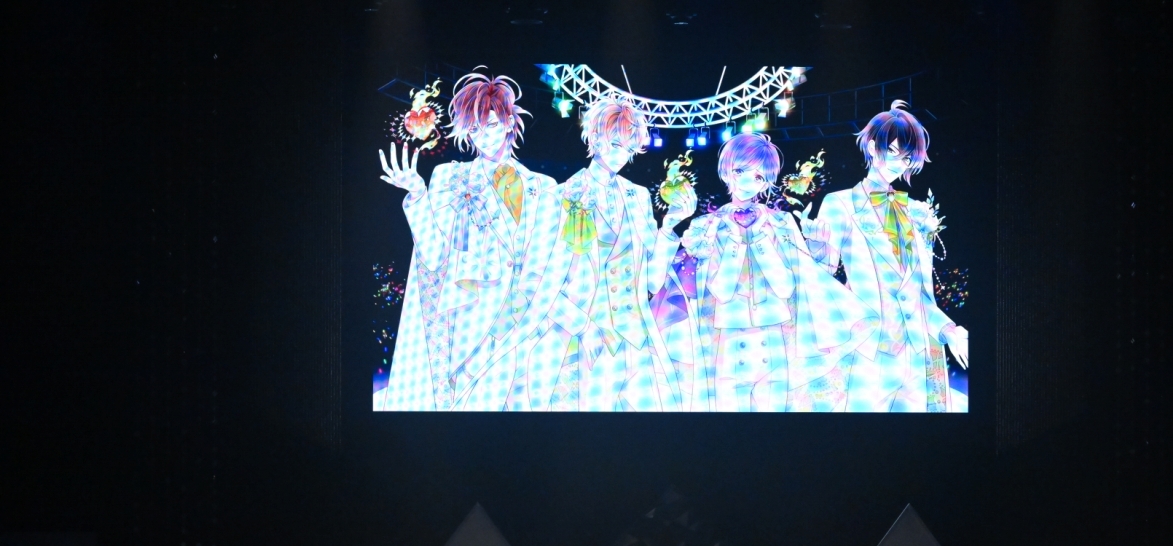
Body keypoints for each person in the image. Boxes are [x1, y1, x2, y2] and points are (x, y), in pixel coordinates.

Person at [461, 97, 696, 411]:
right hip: (580, 342)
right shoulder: (560, 196)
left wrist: (669, 228)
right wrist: (583, 327)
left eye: (629, 148)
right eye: (615, 143)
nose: (621, 155)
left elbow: (653, 282)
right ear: (595, 137)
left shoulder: (638, 197)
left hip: (636, 339)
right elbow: (532, 280)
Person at [374, 70, 561, 411]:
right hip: (471, 323)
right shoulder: (450, 176)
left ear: (509, 122)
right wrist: (417, 196)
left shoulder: (544, 188)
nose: (483, 138)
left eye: (490, 126)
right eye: (474, 130)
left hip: (527, 324)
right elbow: (434, 255)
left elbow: (548, 262)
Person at [674, 133, 877, 411]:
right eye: (740, 171)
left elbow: (787, 287)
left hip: (774, 343)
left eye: (758, 176)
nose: (747, 182)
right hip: (730, 344)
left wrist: (762, 237)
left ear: (767, 181)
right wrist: (736, 239)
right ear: (727, 171)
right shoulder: (707, 226)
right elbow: (721, 290)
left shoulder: (781, 223)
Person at [804, 100, 969, 412]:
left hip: (920, 354)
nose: (899, 163)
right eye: (892, 151)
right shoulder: (840, 204)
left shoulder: (916, 212)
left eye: (906, 158)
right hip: (869, 354)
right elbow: (823, 282)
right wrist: (814, 250)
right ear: (871, 145)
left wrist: (950, 330)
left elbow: (920, 294)